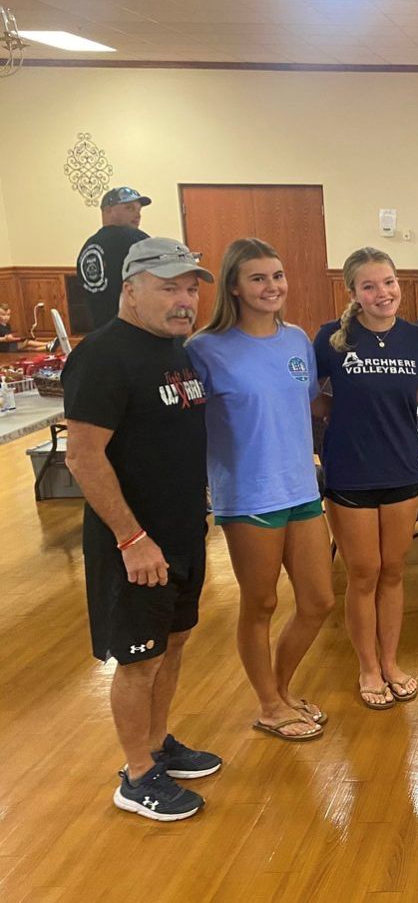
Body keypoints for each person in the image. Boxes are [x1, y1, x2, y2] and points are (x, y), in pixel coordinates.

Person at [63, 237, 220, 821]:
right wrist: (132, 539)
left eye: (190, 289)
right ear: (130, 289)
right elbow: (83, 457)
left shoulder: (175, 349)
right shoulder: (104, 356)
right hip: (134, 543)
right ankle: (135, 775)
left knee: (173, 643)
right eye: (168, 288)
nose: (184, 301)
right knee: (139, 660)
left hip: (182, 532)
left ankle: (156, 744)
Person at [186, 238, 333, 741]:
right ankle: (268, 705)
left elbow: (312, 405)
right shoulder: (203, 349)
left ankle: (282, 690)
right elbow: (184, 424)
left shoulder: (296, 340)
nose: (272, 286)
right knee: (261, 603)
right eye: (258, 278)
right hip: (248, 495)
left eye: (277, 276)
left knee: (318, 601)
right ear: (233, 286)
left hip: (301, 488)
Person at [313, 247, 418, 709]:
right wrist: (338, 413)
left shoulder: (415, 338)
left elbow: (414, 388)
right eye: (370, 286)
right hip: (350, 471)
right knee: (363, 573)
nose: (383, 293)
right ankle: (367, 667)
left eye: (389, 282)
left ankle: (391, 661)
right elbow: (308, 394)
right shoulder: (331, 338)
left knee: (394, 571)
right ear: (353, 293)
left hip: (401, 466)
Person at [77, 187, 152, 331]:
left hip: (100, 331)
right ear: (108, 210)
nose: (137, 215)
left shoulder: (88, 247)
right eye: (129, 208)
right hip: (136, 331)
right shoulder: (138, 241)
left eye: (139, 210)